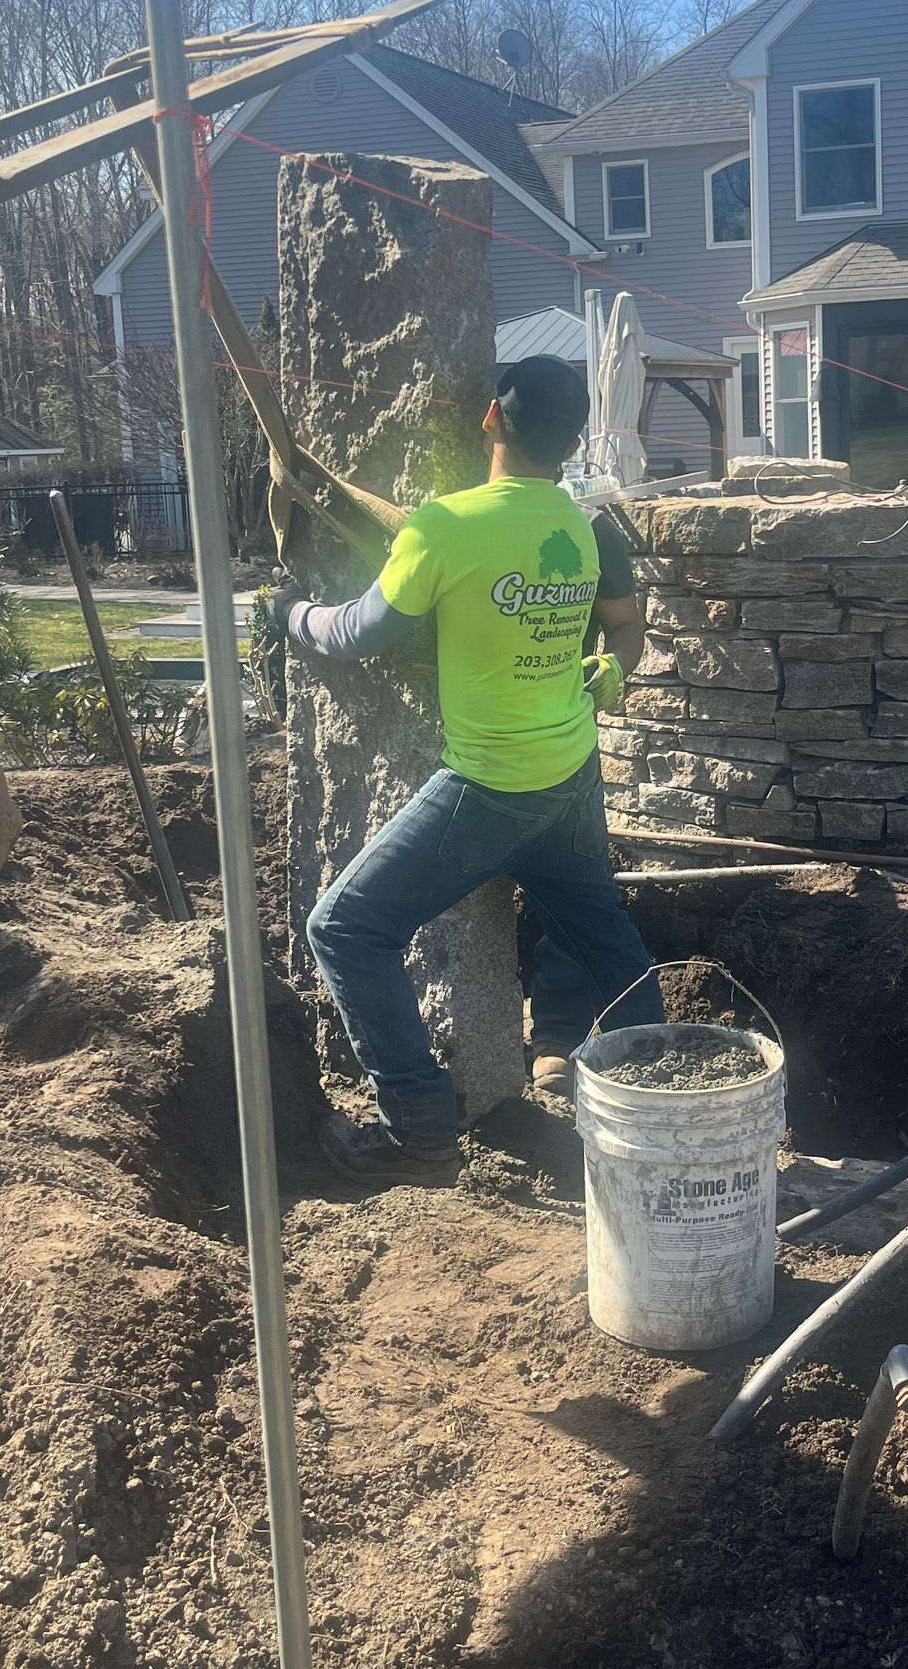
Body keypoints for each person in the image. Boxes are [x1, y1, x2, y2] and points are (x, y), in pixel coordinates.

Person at [279, 355, 665, 1183]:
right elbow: (627, 627)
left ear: (492, 418)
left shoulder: (443, 526)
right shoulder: (586, 526)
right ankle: (667, 1094)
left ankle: (418, 1123)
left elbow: (356, 632)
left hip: (491, 784)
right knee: (604, 935)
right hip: (569, 773)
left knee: (343, 928)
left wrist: (290, 614)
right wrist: (613, 668)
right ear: (573, 439)